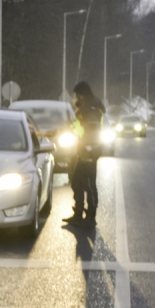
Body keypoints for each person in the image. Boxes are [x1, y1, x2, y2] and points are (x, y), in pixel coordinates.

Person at [63, 81, 105, 228]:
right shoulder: (86, 108)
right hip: (84, 150)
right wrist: (72, 126)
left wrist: (89, 148)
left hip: (89, 151)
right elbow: (81, 129)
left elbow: (91, 131)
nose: (75, 97)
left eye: (76, 95)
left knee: (89, 184)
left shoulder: (90, 109)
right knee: (77, 182)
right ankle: (78, 214)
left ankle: (90, 217)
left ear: (82, 95)